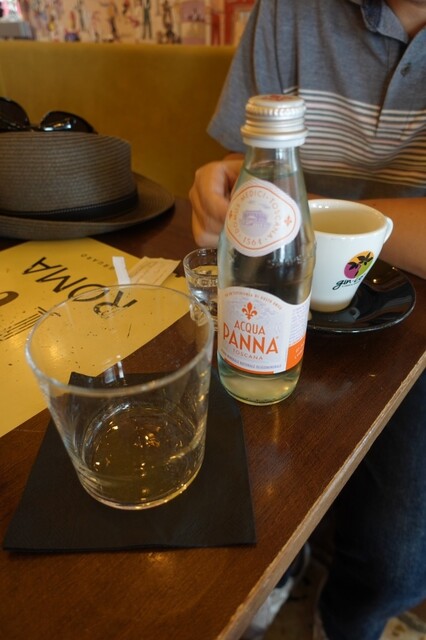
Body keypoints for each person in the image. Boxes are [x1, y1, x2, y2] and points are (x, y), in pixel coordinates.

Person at [189, 1, 426, 639]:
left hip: (411, 314)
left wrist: (289, 205)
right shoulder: (288, 9)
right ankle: (282, 576)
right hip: (273, 299)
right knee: (239, 478)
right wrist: (226, 182)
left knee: (396, 558)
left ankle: (341, 621)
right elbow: (241, 159)